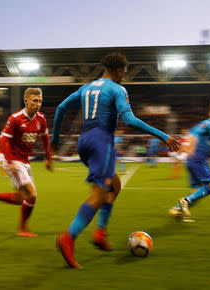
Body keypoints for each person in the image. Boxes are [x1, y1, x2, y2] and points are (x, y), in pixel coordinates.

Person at [50, 52, 180, 269]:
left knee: (115, 185)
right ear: (119, 70)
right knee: (99, 195)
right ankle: (68, 238)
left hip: (83, 142)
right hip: (102, 142)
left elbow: (61, 108)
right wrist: (163, 135)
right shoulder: (118, 89)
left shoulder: (86, 87)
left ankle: (100, 232)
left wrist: (55, 138)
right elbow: (129, 120)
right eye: (124, 73)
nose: (124, 77)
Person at [0, 88, 53, 237]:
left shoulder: (41, 118)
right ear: (26, 101)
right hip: (13, 161)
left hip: (25, 161)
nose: (38, 104)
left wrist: (48, 157)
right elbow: (4, 140)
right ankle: (22, 229)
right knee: (32, 195)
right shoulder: (15, 118)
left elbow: (45, 137)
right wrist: (9, 161)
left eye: (40, 101)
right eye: (35, 101)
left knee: (20, 199)